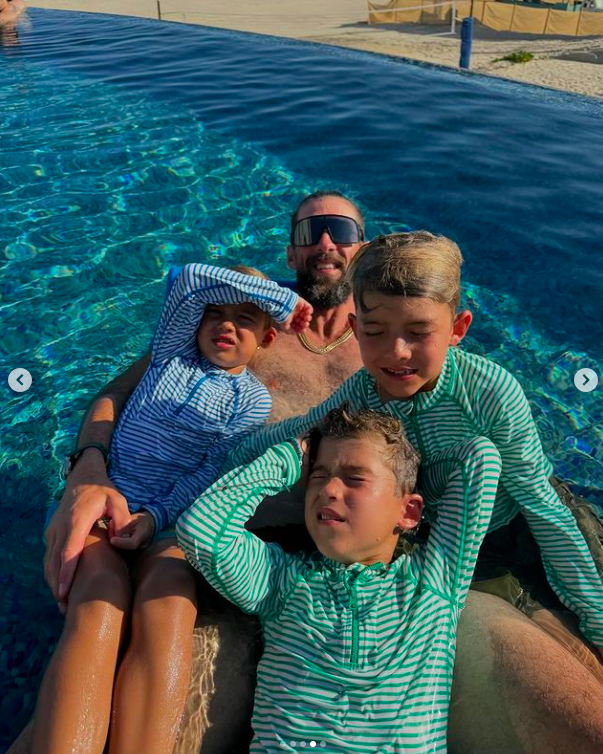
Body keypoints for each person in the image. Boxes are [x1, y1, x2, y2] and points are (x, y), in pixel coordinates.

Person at [12, 193, 601, 754]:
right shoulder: (245, 325)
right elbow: (123, 391)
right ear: (289, 253)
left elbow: (505, 476)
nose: (324, 242)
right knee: (101, 670)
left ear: (364, 250)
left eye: (341, 231)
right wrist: (87, 469)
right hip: (253, 558)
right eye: (307, 232)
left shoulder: (390, 347)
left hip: (406, 565)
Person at [30, 264, 312, 754]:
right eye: (215, 313)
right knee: (102, 594)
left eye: (246, 317)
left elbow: (210, 472)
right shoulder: (169, 356)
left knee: (168, 603)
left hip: (170, 521)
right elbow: (186, 280)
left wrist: (155, 518)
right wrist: (281, 301)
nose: (227, 324)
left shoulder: (250, 402)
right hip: (105, 501)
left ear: (268, 339)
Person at [177, 406, 502, 753]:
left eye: (354, 477)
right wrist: (290, 457)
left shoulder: (434, 580)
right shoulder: (282, 581)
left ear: (408, 512)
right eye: (317, 475)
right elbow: (200, 530)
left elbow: (479, 457)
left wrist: (409, 479)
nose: (329, 489)